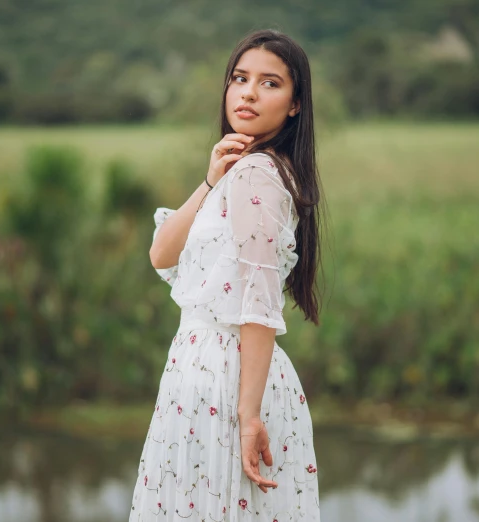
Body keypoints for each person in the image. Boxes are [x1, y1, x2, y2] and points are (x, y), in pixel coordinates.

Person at [131, 28, 324, 521]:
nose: (249, 93)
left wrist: (248, 417)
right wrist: (210, 180)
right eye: (240, 78)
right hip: (201, 377)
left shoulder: (260, 175)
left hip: (225, 380)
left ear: (296, 104)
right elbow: (160, 253)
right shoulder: (242, 171)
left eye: (270, 83)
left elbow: (257, 305)